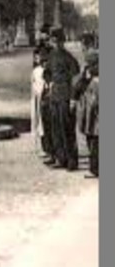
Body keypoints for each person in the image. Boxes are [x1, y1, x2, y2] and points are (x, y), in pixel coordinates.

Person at [47, 26, 80, 171]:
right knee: (56, 129)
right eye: (53, 41)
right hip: (54, 96)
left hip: (65, 97)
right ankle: (60, 158)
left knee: (67, 128)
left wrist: (73, 98)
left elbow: (76, 79)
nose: (55, 44)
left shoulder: (69, 58)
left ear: (62, 41)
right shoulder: (51, 56)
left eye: (57, 41)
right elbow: (47, 73)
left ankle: (71, 160)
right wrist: (50, 82)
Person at [74, 48, 99, 178]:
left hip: (94, 116)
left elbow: (93, 101)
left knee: (94, 142)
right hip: (91, 114)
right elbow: (79, 86)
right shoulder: (88, 75)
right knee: (93, 140)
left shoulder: (95, 80)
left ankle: (95, 169)